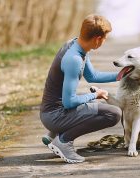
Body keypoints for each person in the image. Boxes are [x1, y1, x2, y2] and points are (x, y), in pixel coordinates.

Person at [40, 14, 122, 163]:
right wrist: (95, 95)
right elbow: (69, 102)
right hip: (54, 115)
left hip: (50, 111)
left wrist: (120, 75)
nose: (104, 42)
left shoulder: (75, 44)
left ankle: (53, 135)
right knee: (113, 113)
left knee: (97, 107)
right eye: (104, 39)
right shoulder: (74, 60)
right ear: (97, 38)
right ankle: (64, 141)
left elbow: (92, 76)